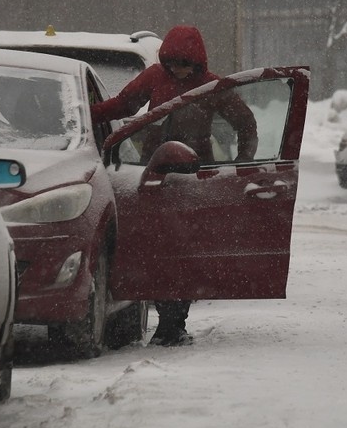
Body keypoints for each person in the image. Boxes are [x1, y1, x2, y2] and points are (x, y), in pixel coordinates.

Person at [90, 24, 257, 347]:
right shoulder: (154, 78)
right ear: (165, 59)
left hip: (194, 180)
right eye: (173, 63)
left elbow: (245, 123)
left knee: (181, 252)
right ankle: (161, 316)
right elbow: (124, 105)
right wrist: (89, 115)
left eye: (186, 64)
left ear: (198, 62)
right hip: (153, 175)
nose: (179, 70)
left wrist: (244, 162)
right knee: (154, 250)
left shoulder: (211, 87)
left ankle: (172, 323)